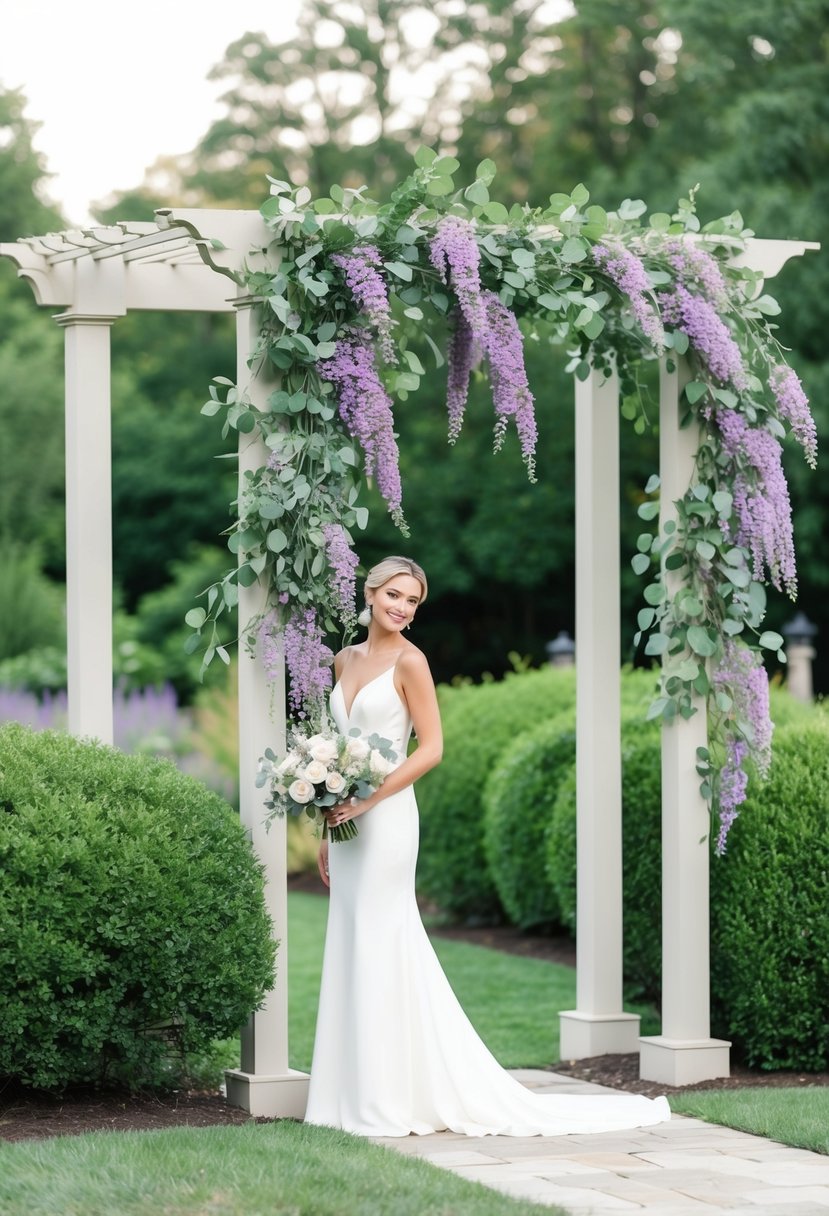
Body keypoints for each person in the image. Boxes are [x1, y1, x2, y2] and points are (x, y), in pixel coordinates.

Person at [303, 555, 670, 1137]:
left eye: (413, 601)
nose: (402, 607)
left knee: (380, 940)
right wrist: (327, 827)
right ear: (369, 592)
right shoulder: (343, 660)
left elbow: (430, 749)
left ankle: (382, 1102)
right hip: (346, 822)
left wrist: (369, 801)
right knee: (352, 942)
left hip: (388, 818)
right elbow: (336, 746)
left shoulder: (411, 662)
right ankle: (345, 1095)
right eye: (394, 595)